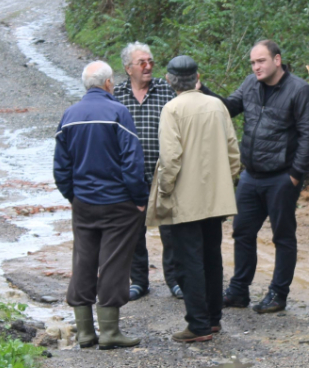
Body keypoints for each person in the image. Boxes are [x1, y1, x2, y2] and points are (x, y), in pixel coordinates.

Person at [216, 40, 309, 314]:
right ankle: (239, 291)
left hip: (282, 176)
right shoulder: (250, 84)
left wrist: (296, 175)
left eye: (260, 61)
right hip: (251, 175)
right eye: (252, 62)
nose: (256, 67)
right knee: (242, 231)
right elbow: (228, 107)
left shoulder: (300, 90)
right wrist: (202, 92)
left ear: (277, 60)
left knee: (283, 236)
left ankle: (278, 293)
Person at [54, 61, 148, 349]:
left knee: (83, 262)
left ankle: (84, 333)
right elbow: (132, 162)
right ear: (108, 84)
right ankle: (109, 332)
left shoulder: (69, 115)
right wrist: (139, 199)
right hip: (119, 203)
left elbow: (61, 167)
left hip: (84, 203)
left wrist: (74, 196)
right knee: (113, 264)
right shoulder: (119, 112)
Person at [146, 55, 240, 343]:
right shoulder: (217, 105)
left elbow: (170, 159)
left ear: (169, 80)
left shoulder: (171, 109)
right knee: (212, 257)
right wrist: (227, 184)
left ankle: (197, 325)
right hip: (215, 199)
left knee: (189, 261)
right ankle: (213, 320)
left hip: (185, 201)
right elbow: (234, 154)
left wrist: (164, 190)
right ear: (197, 77)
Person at [113, 42, 182, 301]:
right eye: (142, 62)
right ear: (128, 68)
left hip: (163, 173)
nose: (148, 66)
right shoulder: (117, 94)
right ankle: (139, 280)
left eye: (151, 61)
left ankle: (175, 280)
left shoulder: (166, 91)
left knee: (171, 231)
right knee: (133, 231)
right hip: (129, 177)